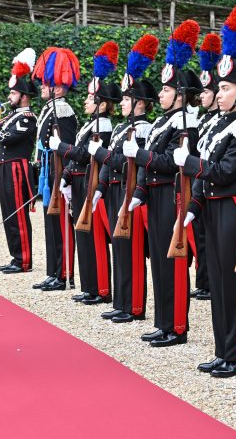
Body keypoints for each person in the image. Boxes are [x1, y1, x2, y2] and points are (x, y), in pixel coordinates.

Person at [176, 5, 236, 376]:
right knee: (219, 283)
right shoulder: (220, 124)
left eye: (225, 88)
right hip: (212, 206)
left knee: (233, 283)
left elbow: (224, 172)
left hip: (231, 207)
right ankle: (222, 348)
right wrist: (195, 203)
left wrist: (191, 163)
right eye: (219, 88)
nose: (219, 94)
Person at [123, 20, 201, 348]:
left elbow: (170, 162)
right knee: (158, 259)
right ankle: (163, 321)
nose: (160, 94)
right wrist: (140, 191)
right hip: (156, 197)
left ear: (180, 94)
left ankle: (177, 326)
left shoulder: (186, 123)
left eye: (166, 90)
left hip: (173, 196)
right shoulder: (163, 121)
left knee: (173, 263)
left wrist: (140, 155)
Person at [51, 42, 119, 305]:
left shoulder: (103, 125)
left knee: (93, 236)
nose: (86, 101)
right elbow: (78, 155)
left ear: (101, 104)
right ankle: (89, 285)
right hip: (79, 182)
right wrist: (66, 175)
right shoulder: (90, 124)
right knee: (82, 234)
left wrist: (62, 148)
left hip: (90, 182)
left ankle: (101, 288)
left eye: (91, 99)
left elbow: (85, 155)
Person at [90, 79, 155, 322]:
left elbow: (130, 164)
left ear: (140, 103)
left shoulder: (144, 129)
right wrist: (101, 186)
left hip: (130, 190)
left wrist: (102, 153)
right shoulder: (120, 128)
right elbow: (110, 163)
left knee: (132, 249)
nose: (123, 103)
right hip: (114, 190)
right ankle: (121, 302)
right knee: (119, 247)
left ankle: (134, 306)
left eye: (128, 100)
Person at [31, 47, 79, 292]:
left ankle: (63, 274)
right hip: (48, 173)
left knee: (60, 225)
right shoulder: (50, 108)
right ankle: (53, 271)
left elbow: (67, 147)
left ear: (58, 89)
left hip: (58, 173)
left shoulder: (62, 111)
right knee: (50, 224)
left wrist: (65, 177)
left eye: (46, 83)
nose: (42, 86)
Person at [0, 49, 38, 274]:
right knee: (7, 213)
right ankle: (16, 256)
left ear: (24, 96)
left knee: (17, 214)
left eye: (13, 93)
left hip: (17, 168)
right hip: (6, 167)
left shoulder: (28, 118)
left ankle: (24, 260)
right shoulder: (12, 116)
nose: (9, 97)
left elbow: (6, 137)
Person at [191, 32, 222, 302]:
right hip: (199, 179)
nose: (202, 96)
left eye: (207, 91)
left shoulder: (220, 121)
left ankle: (211, 282)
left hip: (213, 178)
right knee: (200, 234)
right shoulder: (202, 119)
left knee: (209, 235)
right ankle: (203, 281)